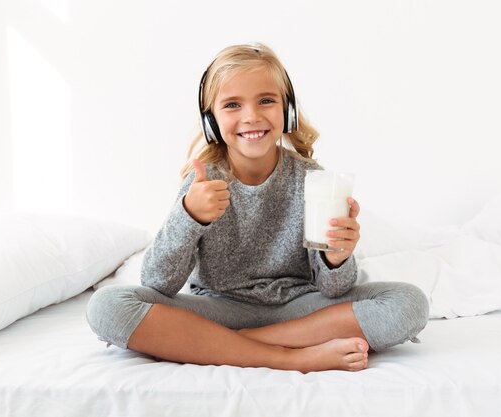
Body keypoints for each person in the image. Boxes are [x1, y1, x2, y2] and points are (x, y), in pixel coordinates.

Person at [87, 43, 428, 373]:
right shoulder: (202, 183)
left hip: (299, 311)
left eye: (266, 101)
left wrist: (335, 258)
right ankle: (290, 358)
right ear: (211, 121)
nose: (251, 116)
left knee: (408, 304)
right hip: (219, 308)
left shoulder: (312, 180)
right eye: (232, 105)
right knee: (107, 307)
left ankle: (223, 345)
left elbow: (334, 289)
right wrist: (189, 216)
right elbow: (158, 283)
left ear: (287, 110)